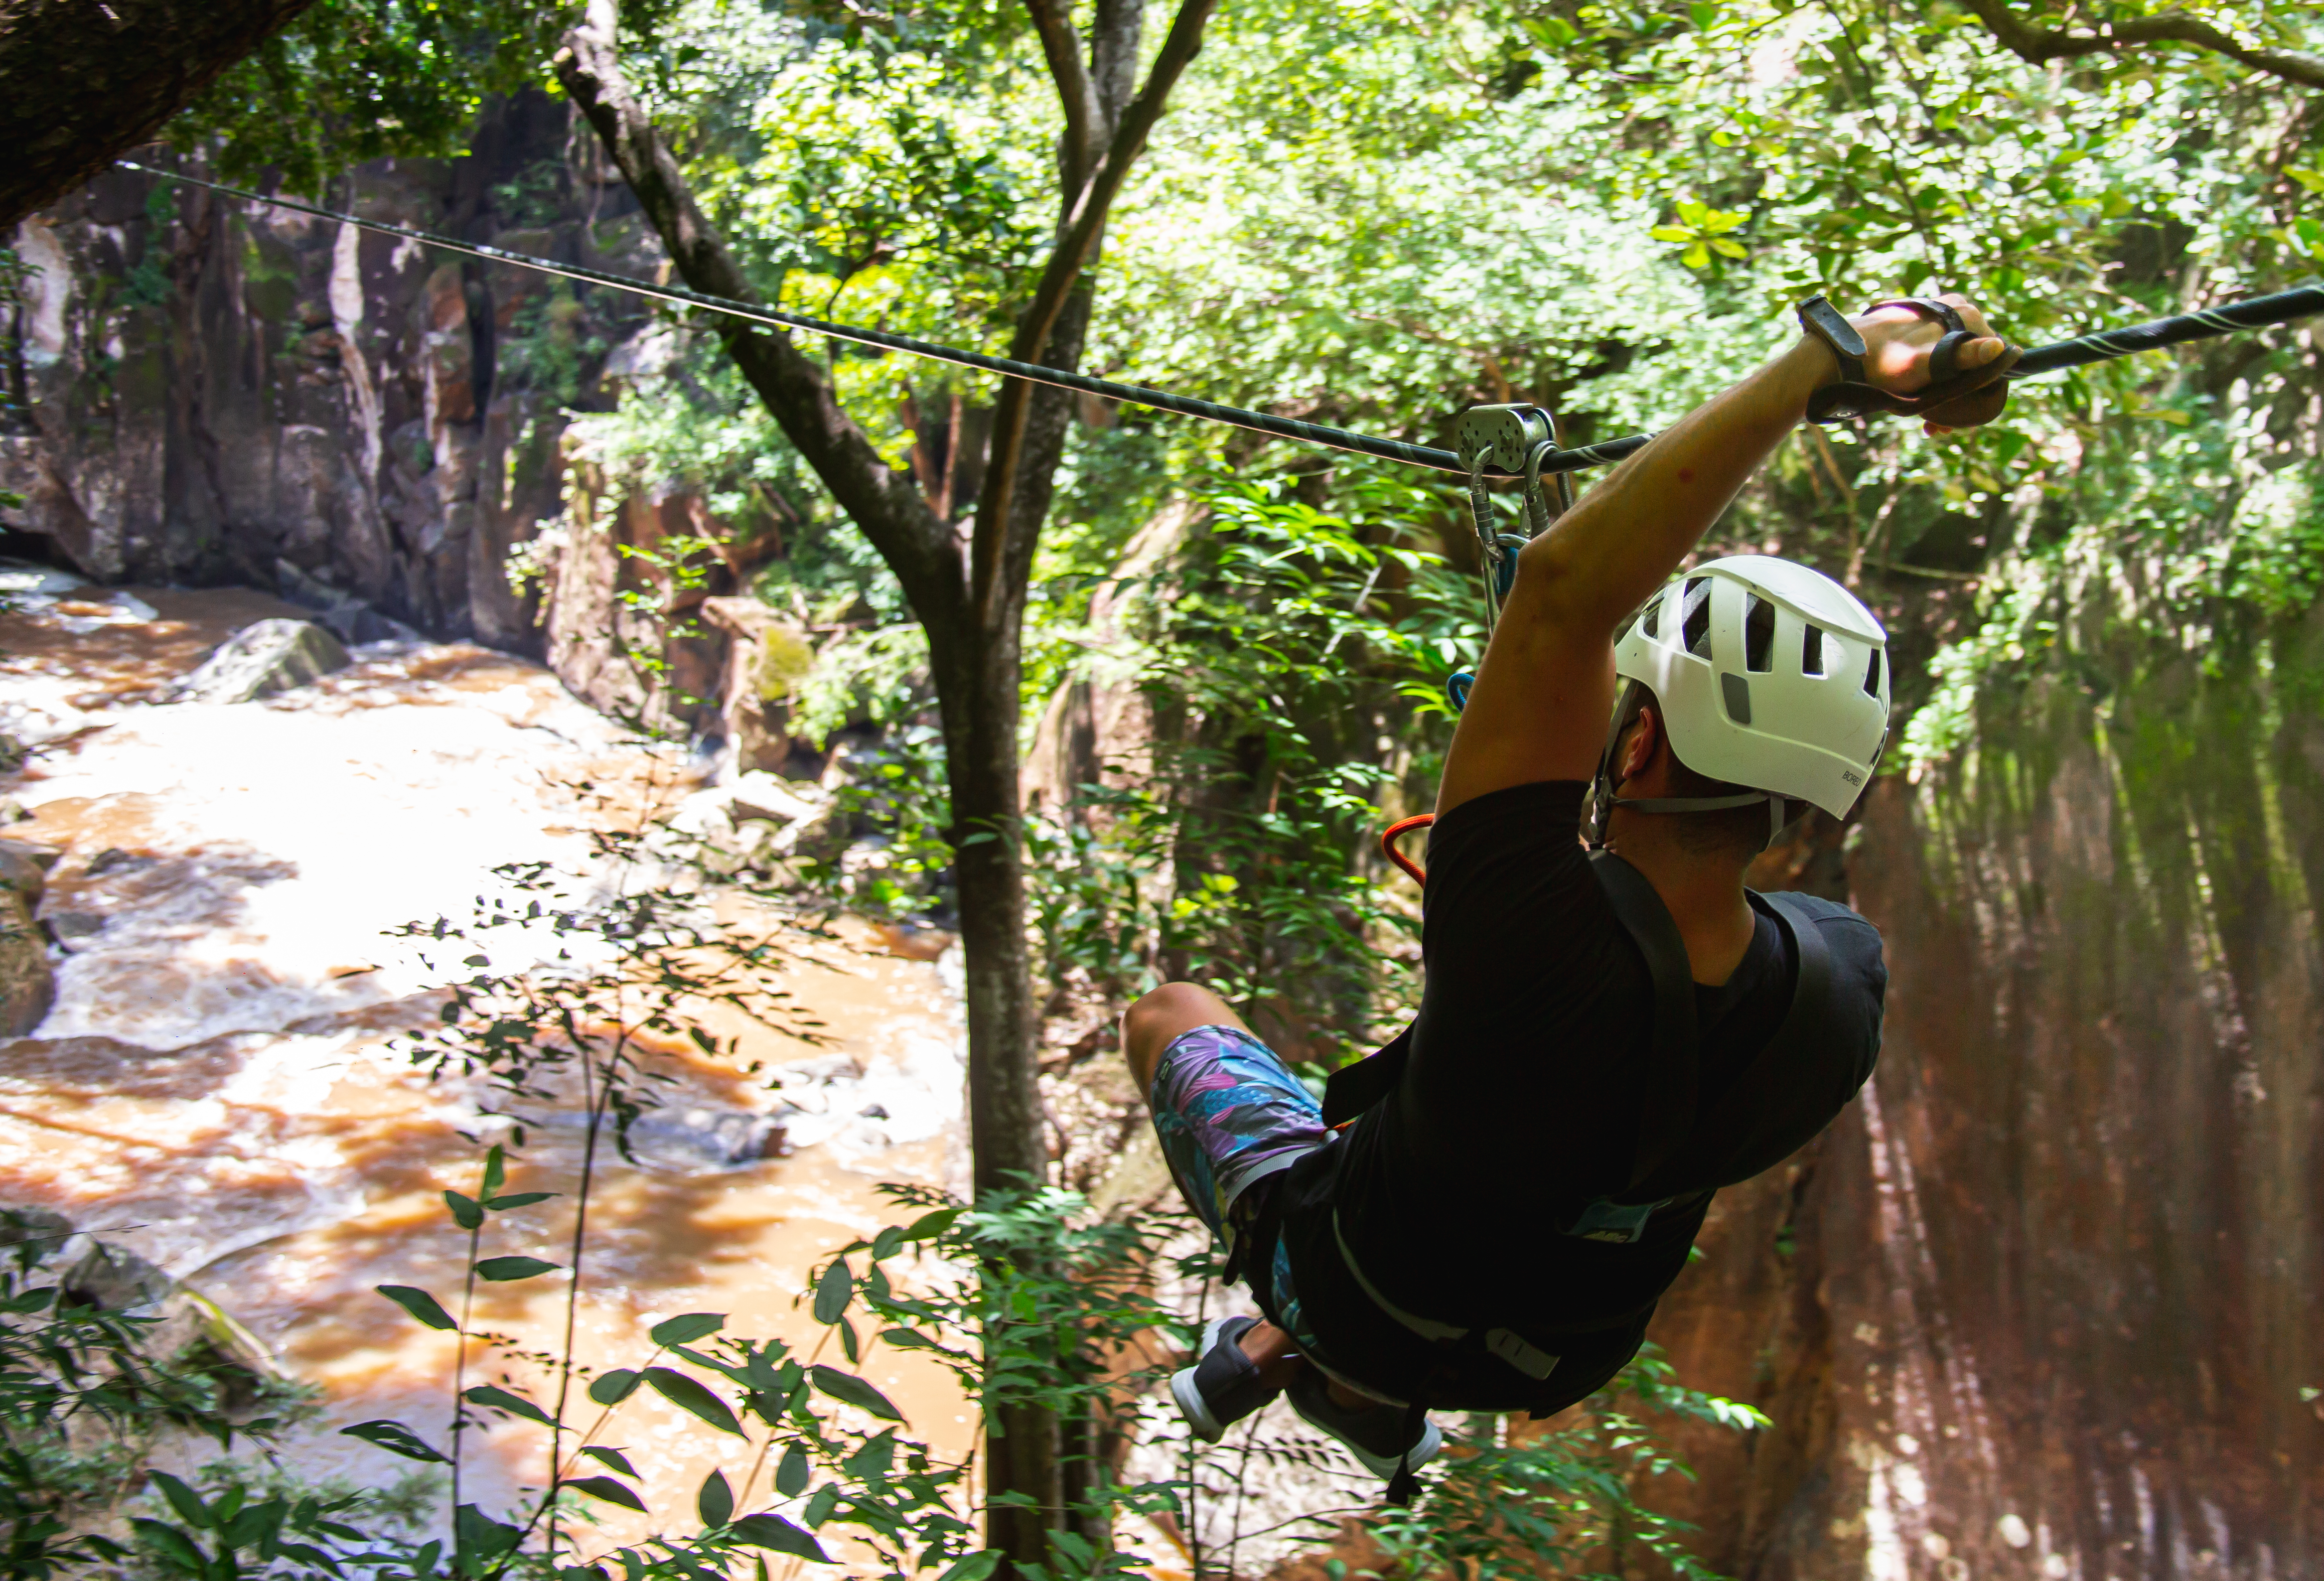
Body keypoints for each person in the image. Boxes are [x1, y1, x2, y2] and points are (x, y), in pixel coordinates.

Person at [1119, 293, 2016, 1497]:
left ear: (1633, 743)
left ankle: (1327, 1352)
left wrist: (1824, 361)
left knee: (1173, 1013)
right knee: (1478, 1190)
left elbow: (1559, 595)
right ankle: (1348, 1387)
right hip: (1549, 1352)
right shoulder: (1841, 985)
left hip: (1348, 1277)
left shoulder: (1524, 930)